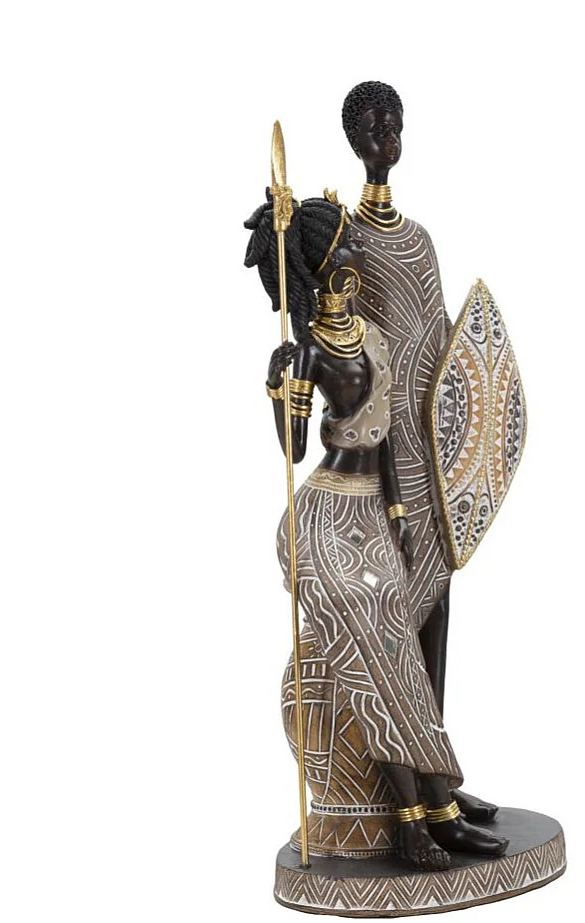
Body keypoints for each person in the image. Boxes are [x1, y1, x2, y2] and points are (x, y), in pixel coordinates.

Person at [244, 192, 507, 870]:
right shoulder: (305, 352)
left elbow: (387, 440)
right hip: (323, 516)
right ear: (331, 269)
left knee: (399, 636)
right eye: (349, 251)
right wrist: (279, 391)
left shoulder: (374, 338)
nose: (361, 255)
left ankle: (437, 805)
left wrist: (399, 516)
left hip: (373, 510)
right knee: (376, 632)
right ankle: (416, 819)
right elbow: (293, 450)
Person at [340, 81, 498, 822]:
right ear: (354, 139)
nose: (389, 137)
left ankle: (439, 778)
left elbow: (438, 340)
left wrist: (459, 439)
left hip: (432, 449)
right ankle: (409, 799)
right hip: (383, 449)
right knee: (395, 624)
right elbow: (343, 341)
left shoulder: (419, 239)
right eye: (376, 126)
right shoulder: (343, 237)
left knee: (437, 614)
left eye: (396, 123)